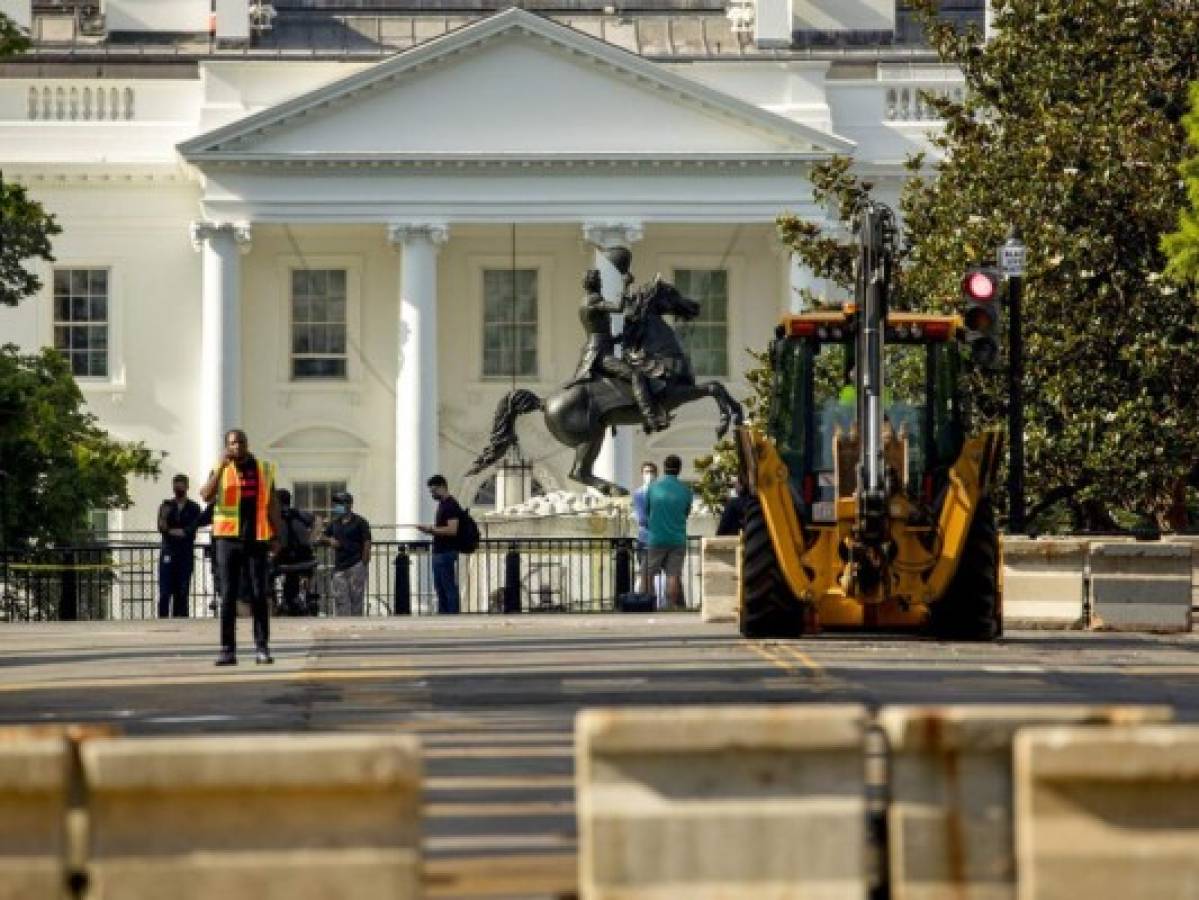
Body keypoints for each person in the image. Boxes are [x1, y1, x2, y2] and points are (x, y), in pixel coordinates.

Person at [199, 428, 283, 666]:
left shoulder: (263, 470)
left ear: (247, 444)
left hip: (255, 538)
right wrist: (222, 468)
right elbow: (205, 495)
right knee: (227, 596)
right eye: (232, 443)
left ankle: (262, 647)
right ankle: (227, 650)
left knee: (259, 594)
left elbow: (273, 504)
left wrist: (277, 536)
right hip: (227, 540)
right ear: (227, 446)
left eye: (241, 442)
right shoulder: (221, 469)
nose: (237, 446)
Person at [566, 256, 668, 433]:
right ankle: (650, 417)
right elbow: (619, 307)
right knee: (636, 375)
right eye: (599, 281)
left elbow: (597, 331)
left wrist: (617, 339)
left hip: (598, 347)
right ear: (595, 284)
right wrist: (625, 283)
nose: (601, 284)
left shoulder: (585, 301)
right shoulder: (594, 300)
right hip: (599, 354)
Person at [645, 454, 693, 610]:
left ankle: (648, 604)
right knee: (673, 575)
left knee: (648, 573)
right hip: (677, 538)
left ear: (664, 468)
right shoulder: (686, 491)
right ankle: (671, 606)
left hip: (656, 538)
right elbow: (686, 513)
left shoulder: (653, 488)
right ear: (679, 469)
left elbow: (647, 511)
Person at [156, 474, 203, 618]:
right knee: (165, 591)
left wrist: (175, 531)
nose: (178, 488)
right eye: (176, 485)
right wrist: (167, 523)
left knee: (182, 592)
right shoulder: (166, 506)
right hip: (168, 552)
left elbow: (189, 531)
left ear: (187, 487)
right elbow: (162, 527)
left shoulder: (194, 508)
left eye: (181, 485)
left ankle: (181, 620)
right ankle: (162, 620)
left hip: (185, 553)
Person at [321, 491, 371, 616]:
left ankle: (356, 624)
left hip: (356, 564)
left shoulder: (360, 521)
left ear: (349, 504)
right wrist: (329, 540)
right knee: (340, 599)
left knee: (356, 599)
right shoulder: (334, 523)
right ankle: (343, 625)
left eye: (340, 503)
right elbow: (321, 536)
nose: (336, 506)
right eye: (336, 503)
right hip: (340, 566)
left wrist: (364, 561)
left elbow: (367, 541)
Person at [419, 475, 463, 614]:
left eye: (434, 491)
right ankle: (444, 614)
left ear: (442, 487)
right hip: (440, 552)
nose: (432, 494)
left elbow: (452, 529)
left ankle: (452, 615)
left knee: (448, 587)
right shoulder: (443, 504)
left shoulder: (450, 505)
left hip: (446, 553)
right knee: (441, 588)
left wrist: (431, 530)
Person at [274, 488, 317, 615]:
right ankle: (305, 597)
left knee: (266, 571)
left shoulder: (274, 515)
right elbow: (317, 520)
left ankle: (273, 603)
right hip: (304, 557)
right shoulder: (299, 513)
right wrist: (312, 538)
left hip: (286, 558)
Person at [631, 461, 658, 595]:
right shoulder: (639, 493)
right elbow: (642, 519)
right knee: (646, 574)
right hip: (645, 539)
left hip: (658, 539)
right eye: (647, 472)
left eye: (652, 472)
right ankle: (647, 602)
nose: (649, 475)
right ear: (642, 474)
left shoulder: (660, 493)